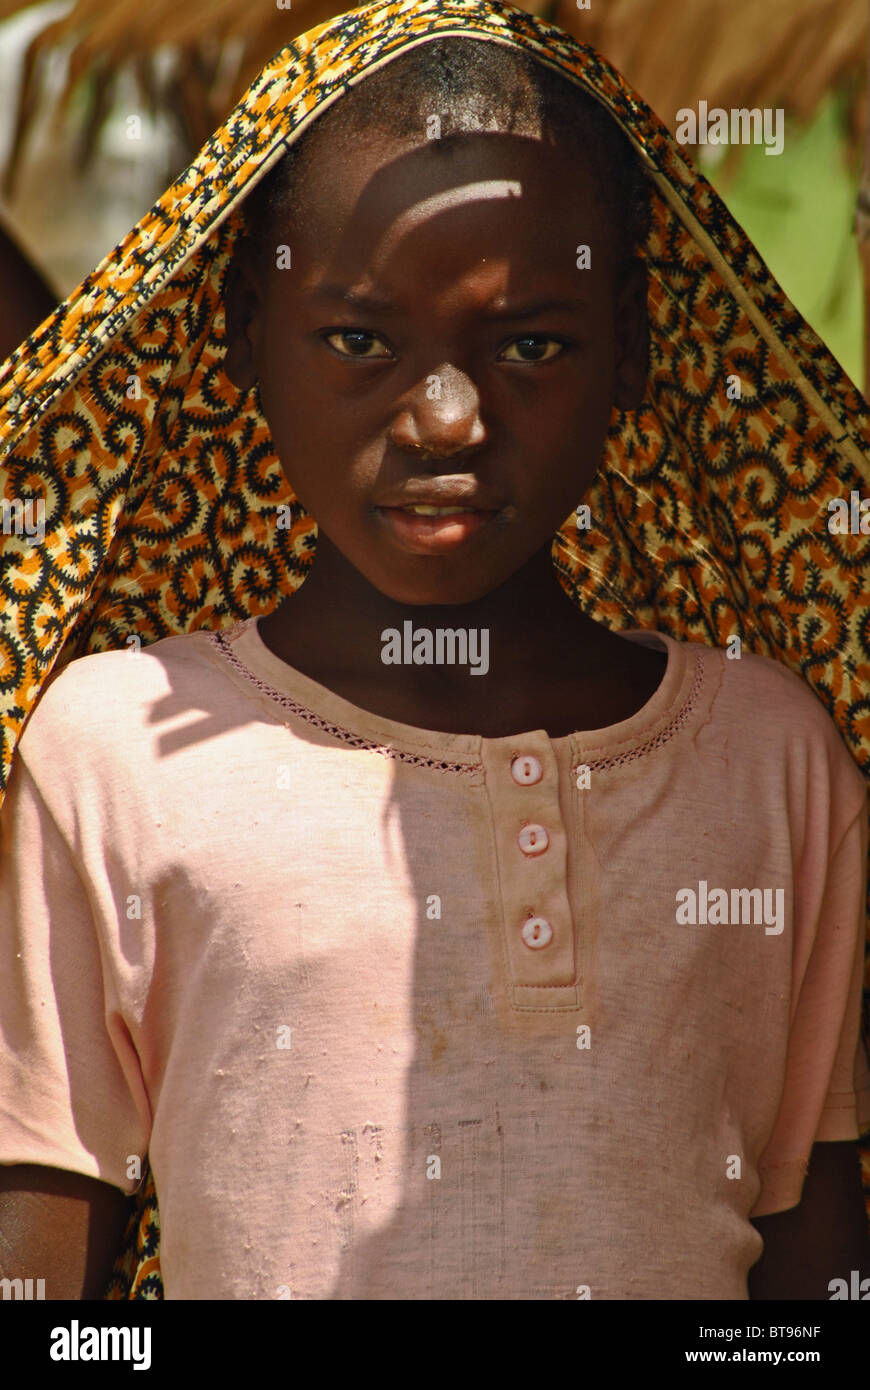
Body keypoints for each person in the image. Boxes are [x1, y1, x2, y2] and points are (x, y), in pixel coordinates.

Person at [1, 0, 869, 1301]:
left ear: (628, 350)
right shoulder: (112, 752)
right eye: (359, 340)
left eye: (531, 344)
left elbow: (813, 1280)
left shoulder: (769, 760)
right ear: (246, 337)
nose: (446, 417)